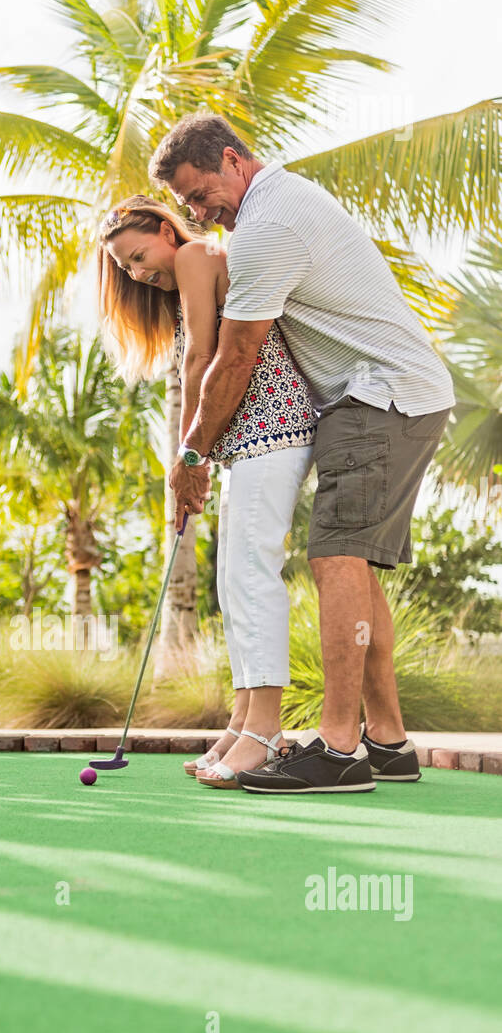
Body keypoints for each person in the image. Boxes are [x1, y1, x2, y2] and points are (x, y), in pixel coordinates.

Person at [149, 113, 454, 794]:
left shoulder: (267, 225)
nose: (199, 213)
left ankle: (338, 749)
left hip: (380, 394)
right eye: (187, 205)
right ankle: (388, 740)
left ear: (233, 160)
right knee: (358, 567)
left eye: (201, 195)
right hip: (390, 393)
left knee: (335, 555)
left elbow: (235, 355)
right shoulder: (280, 204)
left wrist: (192, 456)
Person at [98, 196, 316, 786]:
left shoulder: (196, 253)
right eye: (126, 269)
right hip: (245, 439)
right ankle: (244, 721)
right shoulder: (188, 268)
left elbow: (201, 357)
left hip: (273, 427)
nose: (139, 273)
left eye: (140, 256)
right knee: (232, 582)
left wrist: (188, 455)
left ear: (167, 230)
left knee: (250, 575)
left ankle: (265, 731)